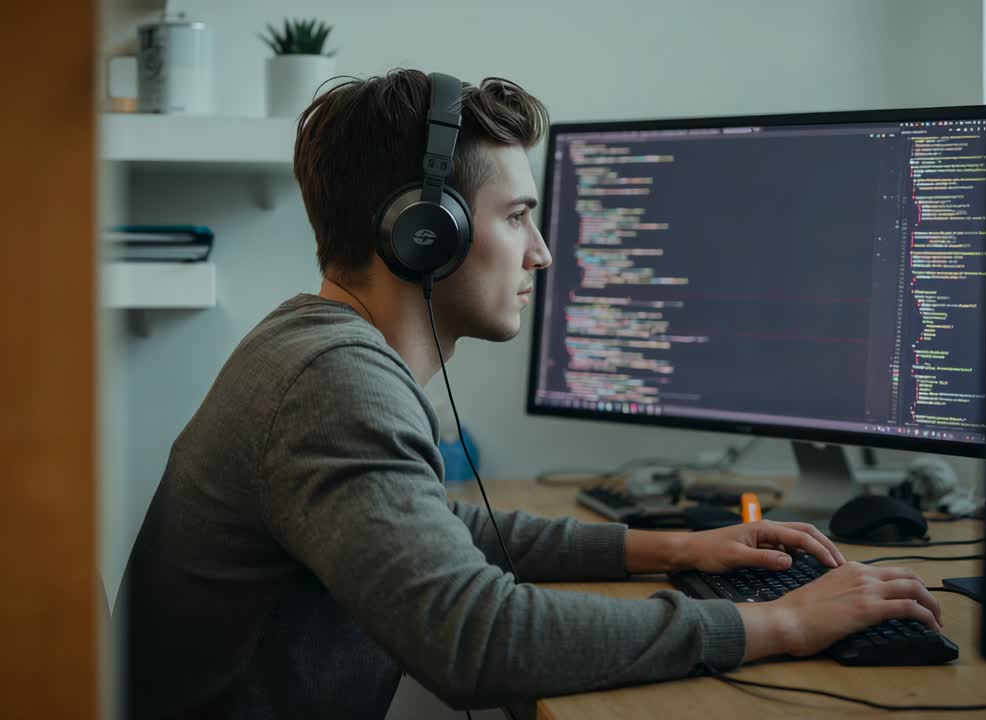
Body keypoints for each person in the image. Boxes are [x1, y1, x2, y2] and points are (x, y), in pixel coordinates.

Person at [119, 69, 944, 719]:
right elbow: (477, 640)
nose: (543, 253)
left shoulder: (311, 347)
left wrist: (671, 548)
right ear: (422, 234)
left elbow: (437, 526)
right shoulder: (332, 383)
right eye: (517, 216)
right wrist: (783, 623)